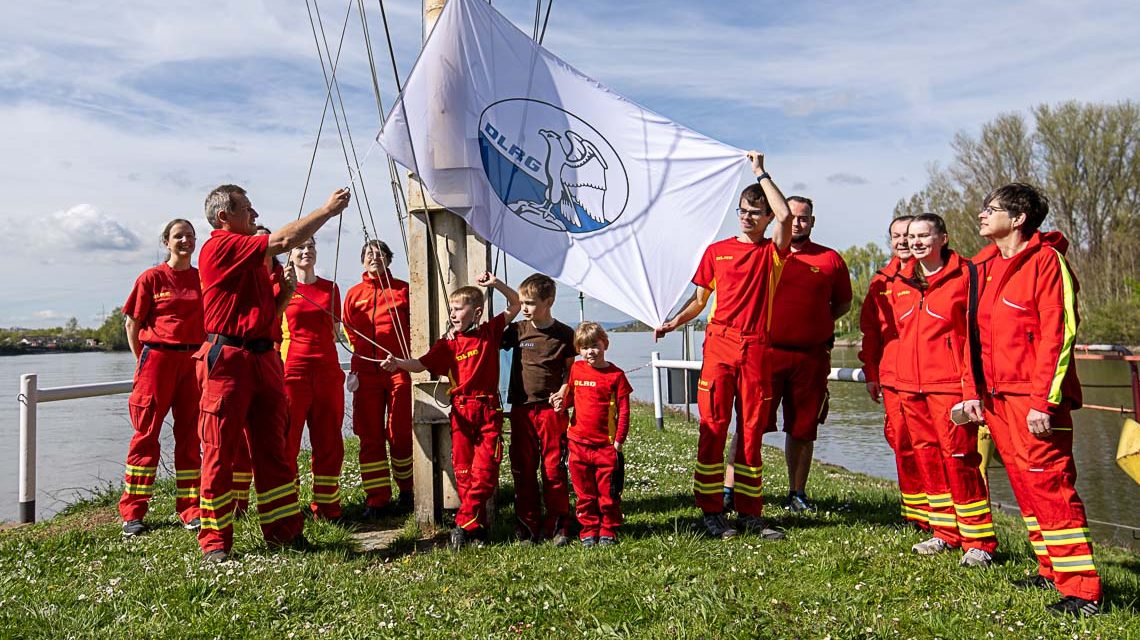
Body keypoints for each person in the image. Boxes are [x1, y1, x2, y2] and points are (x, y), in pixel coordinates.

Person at [960, 183, 1101, 617]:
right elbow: (971, 336)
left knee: (1051, 485)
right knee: (1025, 485)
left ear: (1019, 219)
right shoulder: (982, 266)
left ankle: (1083, 591)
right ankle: (1051, 569)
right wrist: (972, 392)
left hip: (1034, 400)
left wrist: (1044, 400)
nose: (982, 214)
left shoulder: (1046, 261)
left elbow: (1060, 334)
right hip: (996, 398)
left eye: (991, 208)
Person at [194, 184, 350, 562]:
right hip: (229, 359)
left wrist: (284, 296)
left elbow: (269, 314)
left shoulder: (261, 264)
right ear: (224, 217)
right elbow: (282, 240)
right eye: (247, 209)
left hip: (264, 358)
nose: (255, 214)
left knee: (274, 451)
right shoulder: (219, 247)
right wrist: (327, 210)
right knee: (220, 451)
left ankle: (285, 532)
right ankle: (215, 540)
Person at [655, 150, 792, 540]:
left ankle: (750, 513)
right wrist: (672, 322)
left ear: (766, 218)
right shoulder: (716, 252)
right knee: (712, 428)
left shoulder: (773, 253)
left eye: (755, 212)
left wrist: (760, 172)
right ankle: (711, 511)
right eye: (742, 211)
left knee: (751, 431)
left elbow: (786, 216)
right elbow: (699, 300)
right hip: (719, 345)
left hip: (757, 348)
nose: (746, 217)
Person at [382, 273, 521, 550]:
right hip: (461, 412)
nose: (453, 314)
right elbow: (420, 364)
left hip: (488, 410)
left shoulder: (489, 332)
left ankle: (462, 522)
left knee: (485, 474)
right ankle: (476, 530)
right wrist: (397, 363)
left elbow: (515, 304)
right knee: (464, 474)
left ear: (476, 312)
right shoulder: (447, 344)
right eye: (452, 309)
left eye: (459, 309)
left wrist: (495, 284)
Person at [891, 213, 997, 567]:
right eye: (911, 236)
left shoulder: (964, 276)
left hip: (949, 387)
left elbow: (971, 338)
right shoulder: (902, 282)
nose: (916, 242)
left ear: (943, 238)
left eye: (924, 235)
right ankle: (944, 532)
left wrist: (970, 390)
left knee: (960, 458)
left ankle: (978, 541)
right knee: (927, 458)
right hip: (910, 387)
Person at [762, 196, 852, 511]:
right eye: (792, 217)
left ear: (812, 222)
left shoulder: (830, 259)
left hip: (810, 358)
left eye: (804, 218)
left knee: (802, 429)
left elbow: (842, 304)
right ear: (779, 217)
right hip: (767, 354)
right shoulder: (765, 253)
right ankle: (738, 491)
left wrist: (814, 323)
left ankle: (797, 493)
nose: (797, 223)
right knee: (751, 424)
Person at [118, 219, 205, 536]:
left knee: (191, 437)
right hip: (157, 360)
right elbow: (132, 324)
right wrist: (142, 360)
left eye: (190, 236)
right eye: (178, 236)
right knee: (146, 435)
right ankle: (133, 511)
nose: (185, 241)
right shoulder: (152, 278)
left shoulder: (201, 279)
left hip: (193, 360)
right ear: (166, 241)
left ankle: (190, 508)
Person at [858, 215, 931, 530]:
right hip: (892, 378)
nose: (903, 241)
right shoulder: (881, 281)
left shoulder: (931, 275)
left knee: (932, 446)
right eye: (897, 236)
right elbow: (871, 332)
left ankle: (943, 516)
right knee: (902, 443)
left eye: (909, 235)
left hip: (930, 377)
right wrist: (871, 373)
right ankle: (915, 515)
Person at [501, 274, 576, 546]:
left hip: (551, 411)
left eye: (530, 303)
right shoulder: (518, 330)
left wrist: (564, 391)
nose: (525, 308)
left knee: (553, 468)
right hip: (522, 409)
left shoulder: (565, 334)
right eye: (522, 302)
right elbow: (486, 339)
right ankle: (527, 525)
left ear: (549, 301)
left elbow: (570, 371)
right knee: (523, 468)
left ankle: (558, 525)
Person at [342, 239, 414, 518]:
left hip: (398, 371)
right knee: (369, 436)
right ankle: (377, 499)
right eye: (369, 254)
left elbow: (415, 327)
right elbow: (349, 329)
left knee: (400, 434)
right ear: (362, 260)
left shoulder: (403, 290)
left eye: (380, 253)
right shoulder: (353, 294)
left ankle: (408, 491)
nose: (374, 258)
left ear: (389, 258)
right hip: (366, 373)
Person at [280, 236, 345, 520]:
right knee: (288, 441)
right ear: (290, 254)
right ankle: (288, 506)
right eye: (300, 247)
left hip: (328, 371)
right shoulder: (283, 287)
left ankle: (328, 507)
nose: (306, 251)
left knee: (329, 441)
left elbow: (335, 330)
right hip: (293, 371)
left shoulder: (331, 288)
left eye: (311, 246)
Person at [557, 322, 633, 547]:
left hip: (605, 446)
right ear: (578, 350)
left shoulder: (616, 375)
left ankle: (608, 528)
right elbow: (572, 399)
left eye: (595, 346)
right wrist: (561, 403)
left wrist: (618, 442)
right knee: (585, 493)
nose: (590, 352)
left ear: (605, 344)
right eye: (584, 347)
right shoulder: (576, 370)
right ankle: (589, 529)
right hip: (577, 443)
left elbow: (624, 411)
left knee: (608, 493)